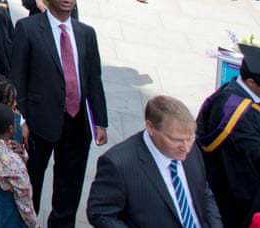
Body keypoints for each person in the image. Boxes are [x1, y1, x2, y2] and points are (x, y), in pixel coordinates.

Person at [10, 0, 108, 228]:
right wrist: (21, 120)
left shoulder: (86, 33)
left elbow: (94, 79)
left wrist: (100, 121)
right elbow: (17, 78)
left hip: (76, 123)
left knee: (70, 187)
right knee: (31, 184)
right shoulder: (29, 29)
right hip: (39, 123)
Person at [87, 94, 222, 228]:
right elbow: (100, 213)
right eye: (176, 140)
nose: (186, 148)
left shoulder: (192, 150)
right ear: (151, 128)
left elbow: (203, 191)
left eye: (190, 138)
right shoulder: (118, 164)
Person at [195, 42, 260, 226]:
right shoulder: (238, 116)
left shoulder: (234, 90)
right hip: (229, 185)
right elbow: (252, 159)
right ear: (251, 82)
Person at [0, 103, 37, 228]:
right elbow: (24, 199)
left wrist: (22, 152)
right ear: (11, 129)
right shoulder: (15, 165)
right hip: (11, 212)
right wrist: (34, 224)